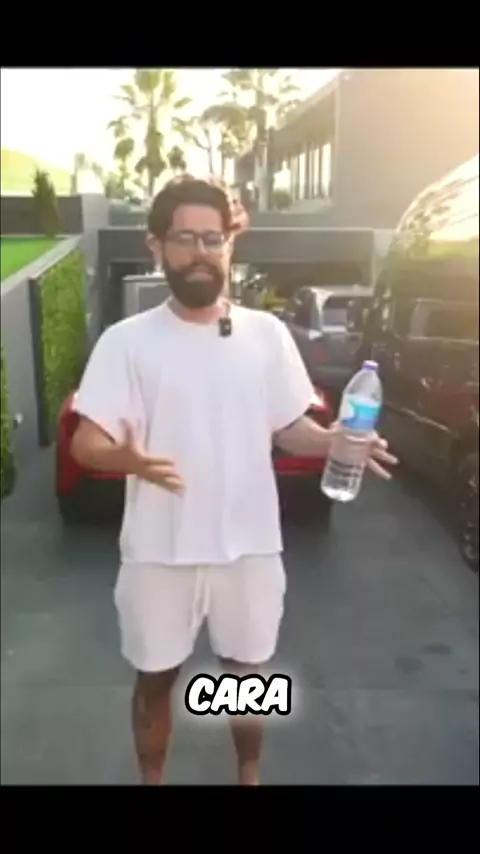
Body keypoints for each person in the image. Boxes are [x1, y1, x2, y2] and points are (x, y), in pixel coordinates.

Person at [70, 175, 397, 786]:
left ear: (229, 245)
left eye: (212, 238)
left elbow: (289, 428)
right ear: (156, 246)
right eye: (185, 238)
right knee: (155, 679)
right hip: (159, 552)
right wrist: (127, 460)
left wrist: (334, 441)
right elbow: (85, 442)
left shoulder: (266, 335)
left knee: (246, 682)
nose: (200, 251)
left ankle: (248, 778)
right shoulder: (126, 343)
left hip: (249, 549)